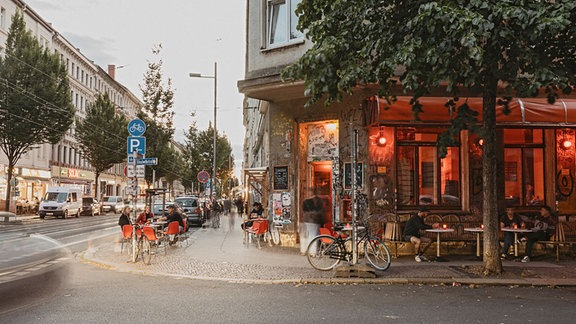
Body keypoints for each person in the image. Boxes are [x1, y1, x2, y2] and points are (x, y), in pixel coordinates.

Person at [300, 189, 325, 255]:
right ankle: (311, 251)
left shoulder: (307, 201)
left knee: (309, 235)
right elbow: (304, 210)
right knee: (313, 235)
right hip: (311, 220)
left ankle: (306, 250)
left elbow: (304, 210)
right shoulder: (309, 201)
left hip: (311, 220)